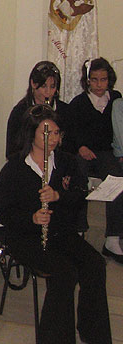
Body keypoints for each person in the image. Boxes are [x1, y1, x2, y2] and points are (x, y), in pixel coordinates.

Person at [0, 105, 112, 344]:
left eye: (57, 133)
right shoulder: (14, 169)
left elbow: (80, 196)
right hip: (26, 237)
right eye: (46, 134)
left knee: (95, 264)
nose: (53, 139)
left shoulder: (67, 162)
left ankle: (94, 332)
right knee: (64, 273)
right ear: (31, 135)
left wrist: (59, 196)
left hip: (60, 232)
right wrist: (32, 218)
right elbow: (4, 214)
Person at [68, 57, 123, 261]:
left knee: (117, 177)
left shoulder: (116, 100)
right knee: (79, 176)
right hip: (83, 151)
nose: (99, 85)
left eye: (103, 79)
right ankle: (80, 229)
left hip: (105, 152)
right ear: (87, 81)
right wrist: (80, 147)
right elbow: (71, 133)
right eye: (95, 80)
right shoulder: (79, 103)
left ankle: (113, 237)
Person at [6, 60, 72, 158]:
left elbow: (71, 149)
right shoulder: (19, 112)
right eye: (44, 86)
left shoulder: (65, 111)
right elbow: (12, 151)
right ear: (33, 83)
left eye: (52, 87)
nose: (48, 92)